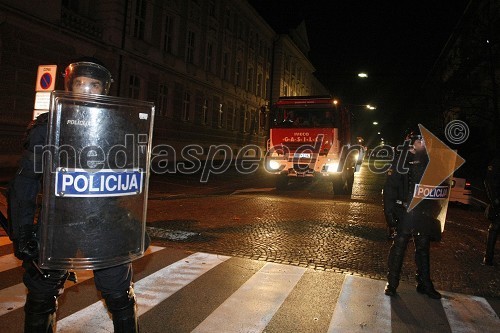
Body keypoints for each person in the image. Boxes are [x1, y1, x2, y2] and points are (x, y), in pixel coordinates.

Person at [7, 58, 140, 332]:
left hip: (106, 222)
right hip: (58, 222)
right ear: (70, 86)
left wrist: (132, 224)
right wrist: (22, 233)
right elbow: (25, 184)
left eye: (95, 85)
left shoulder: (119, 128)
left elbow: (131, 183)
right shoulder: (48, 127)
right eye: (81, 84)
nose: (87, 91)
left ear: (105, 90)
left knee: (119, 295)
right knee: (42, 293)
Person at [382, 127, 442, 299]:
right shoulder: (402, 160)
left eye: (425, 141)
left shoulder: (430, 161)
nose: (423, 144)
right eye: (420, 141)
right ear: (412, 142)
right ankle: (392, 283)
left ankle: (424, 284)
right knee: (399, 246)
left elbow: (436, 187)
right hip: (405, 212)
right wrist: (389, 212)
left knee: (423, 247)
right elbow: (390, 188)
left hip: (423, 212)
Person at [483, 155, 500, 266]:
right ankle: (488, 257)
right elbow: (488, 181)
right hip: (498, 200)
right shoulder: (496, 161)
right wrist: (494, 200)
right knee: (495, 227)